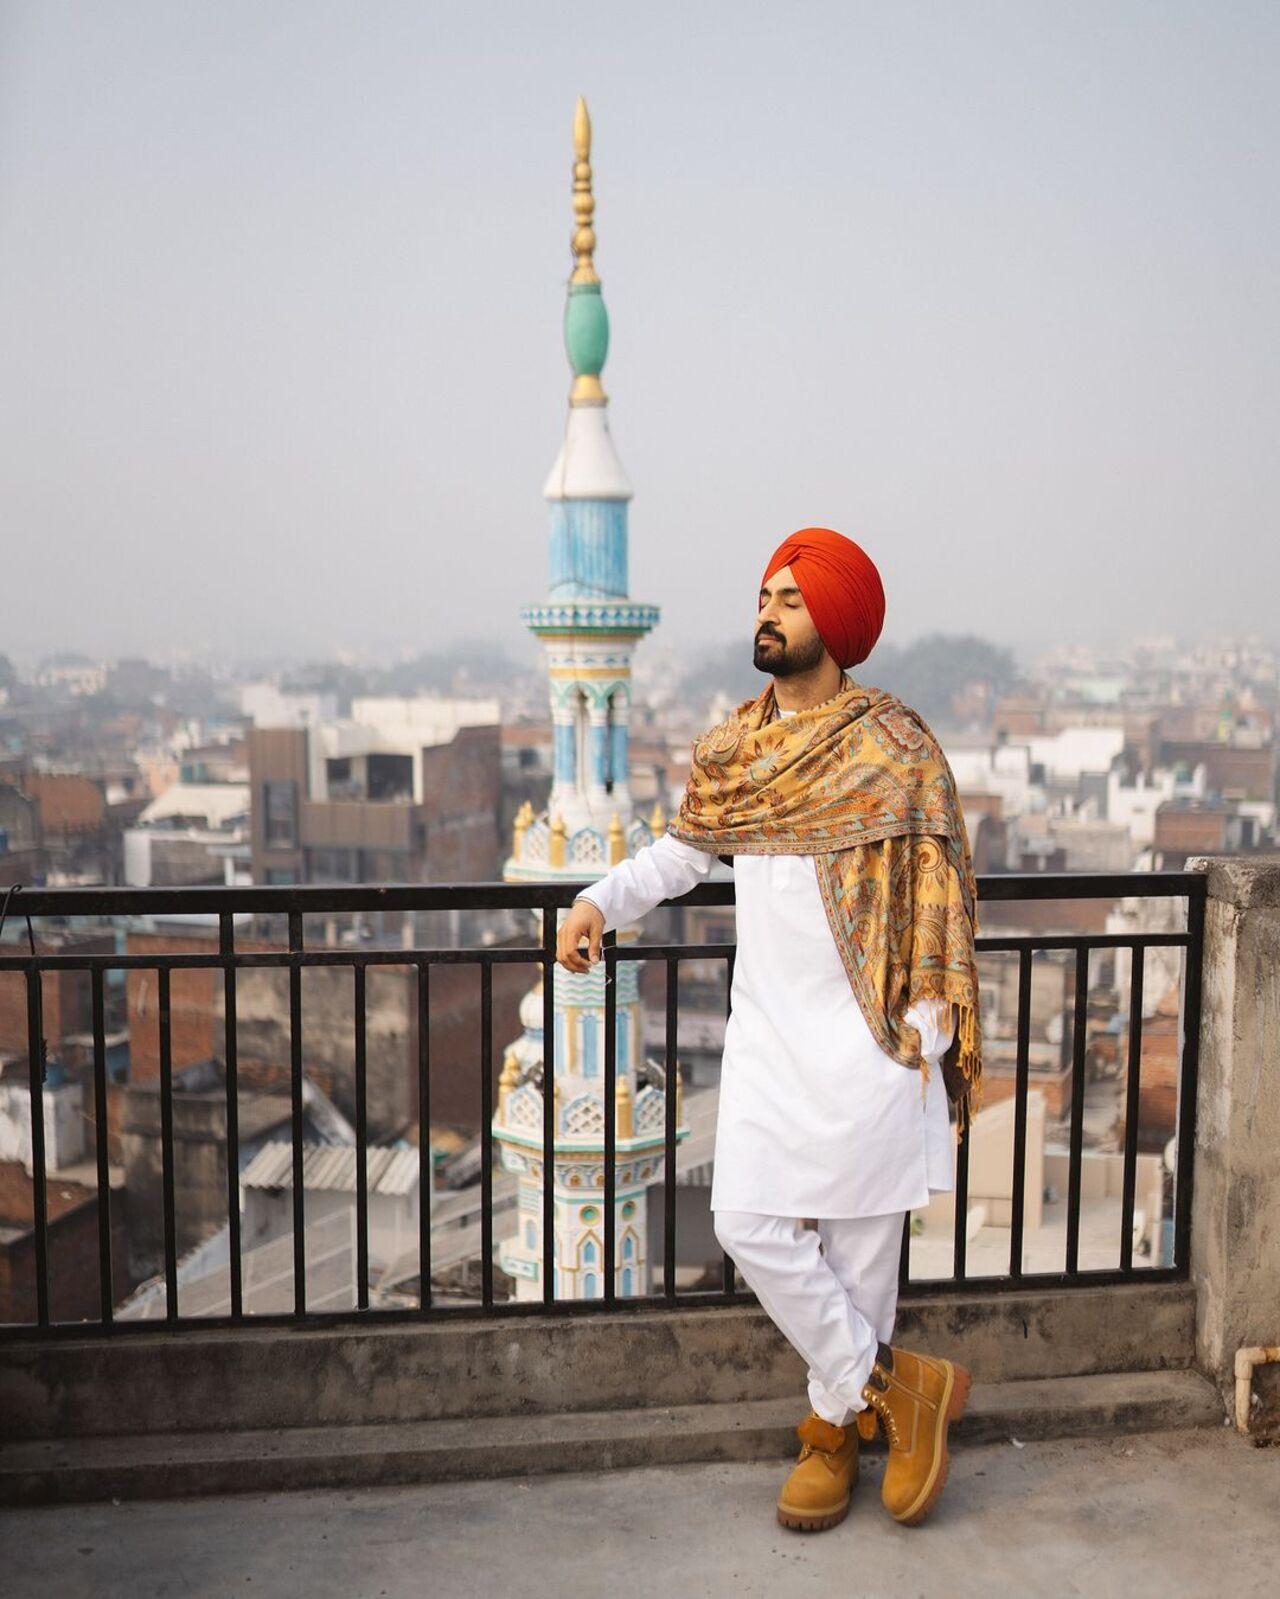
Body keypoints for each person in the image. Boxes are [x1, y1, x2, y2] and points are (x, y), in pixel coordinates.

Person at [556, 525, 983, 1532]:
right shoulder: (735, 754)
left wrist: (920, 1046)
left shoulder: (896, 749)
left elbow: (934, 901)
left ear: (829, 621)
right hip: (769, 1047)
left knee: (861, 1262)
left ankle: (833, 1434)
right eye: (763, 594)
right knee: (745, 1224)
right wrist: (594, 903)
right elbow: (678, 856)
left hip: (878, 1042)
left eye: (788, 599)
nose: (766, 610)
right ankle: (900, 1386)